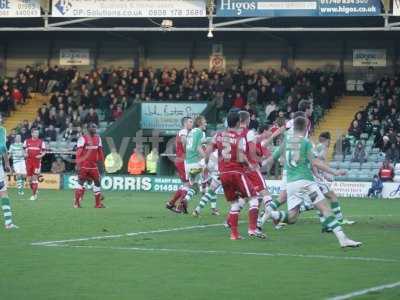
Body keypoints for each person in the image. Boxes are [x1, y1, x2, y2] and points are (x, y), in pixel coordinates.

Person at [266, 116, 361, 248]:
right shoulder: (305, 142)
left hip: (291, 184)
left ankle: (272, 213)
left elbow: (273, 158)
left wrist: (261, 164)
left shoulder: (287, 141)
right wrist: (334, 172)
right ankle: (343, 239)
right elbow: (315, 162)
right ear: (305, 127)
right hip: (305, 182)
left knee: (292, 218)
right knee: (325, 209)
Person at [206, 111, 260, 240]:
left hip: (223, 174)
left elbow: (208, 151)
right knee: (254, 198)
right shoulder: (239, 138)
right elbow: (241, 158)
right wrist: (249, 164)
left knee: (234, 203)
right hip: (236, 172)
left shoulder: (218, 135)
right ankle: (252, 229)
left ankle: (234, 234)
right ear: (237, 122)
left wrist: (207, 165)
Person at [312, 132, 355, 227]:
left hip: (314, 176)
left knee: (318, 199)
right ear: (328, 140)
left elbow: (318, 162)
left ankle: (323, 220)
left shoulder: (317, 147)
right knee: (332, 196)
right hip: (314, 178)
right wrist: (317, 174)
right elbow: (315, 162)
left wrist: (324, 174)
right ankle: (339, 220)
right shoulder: (322, 148)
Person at [74, 123, 105, 208]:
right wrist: (78, 164)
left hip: (94, 166)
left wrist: (102, 163)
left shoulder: (98, 138)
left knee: (97, 182)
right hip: (84, 165)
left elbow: (100, 152)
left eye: (95, 127)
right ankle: (76, 203)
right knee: (81, 182)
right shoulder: (82, 138)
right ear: (88, 129)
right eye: (92, 127)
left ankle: (98, 204)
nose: (94, 128)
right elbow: (79, 153)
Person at [166, 117, 193, 212]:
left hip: (180, 159)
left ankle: (171, 203)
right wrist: (189, 151)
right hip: (183, 160)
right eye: (190, 122)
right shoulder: (184, 131)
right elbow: (184, 142)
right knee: (188, 184)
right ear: (185, 123)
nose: (192, 123)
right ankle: (179, 206)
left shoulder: (183, 132)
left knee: (185, 184)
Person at [181, 115, 207, 211]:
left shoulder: (191, 131)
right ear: (200, 123)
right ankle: (212, 206)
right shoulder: (200, 132)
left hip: (188, 163)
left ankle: (185, 200)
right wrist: (206, 157)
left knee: (194, 186)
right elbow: (198, 147)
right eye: (205, 121)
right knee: (211, 179)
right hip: (195, 163)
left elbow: (189, 145)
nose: (206, 123)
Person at [0, 116, 18, 229]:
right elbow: (2, 147)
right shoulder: (1, 129)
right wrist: (7, 164)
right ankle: (9, 223)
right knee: (3, 192)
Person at [24, 128, 45, 201]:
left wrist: (41, 155)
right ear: (32, 133)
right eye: (36, 133)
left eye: (38, 133)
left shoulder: (41, 142)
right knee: (29, 180)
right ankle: (34, 190)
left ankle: (34, 195)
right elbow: (24, 150)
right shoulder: (27, 141)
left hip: (37, 163)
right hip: (28, 162)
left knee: (34, 178)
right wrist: (25, 154)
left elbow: (44, 152)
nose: (37, 134)